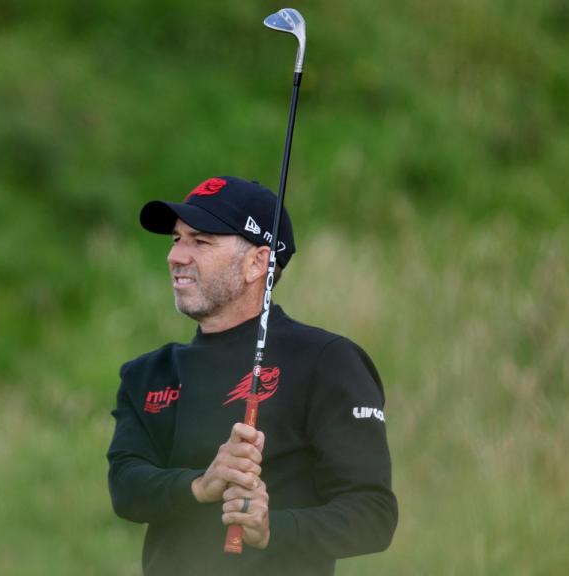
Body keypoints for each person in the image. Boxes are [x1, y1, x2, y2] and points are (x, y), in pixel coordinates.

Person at [107, 176, 398, 575]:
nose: (176, 256)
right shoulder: (147, 374)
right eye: (177, 239)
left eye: (200, 241)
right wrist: (200, 485)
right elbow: (126, 487)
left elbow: (373, 515)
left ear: (257, 263)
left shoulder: (328, 362)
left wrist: (272, 528)